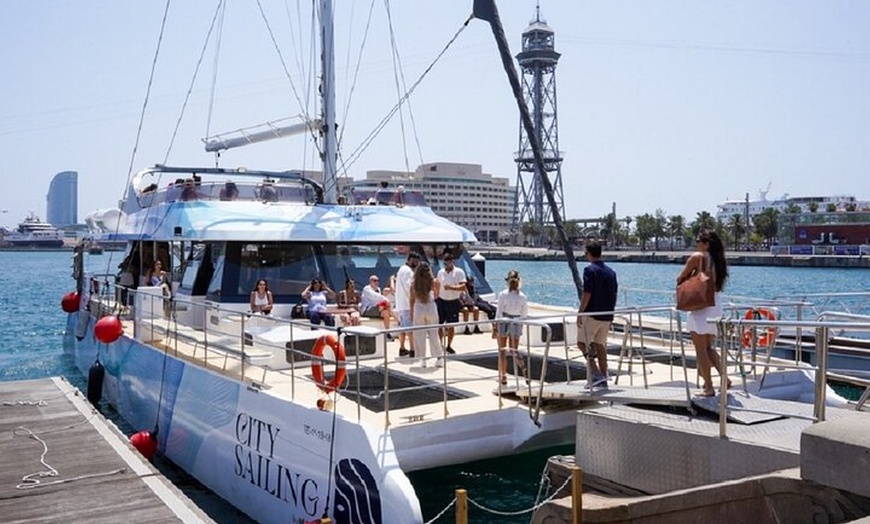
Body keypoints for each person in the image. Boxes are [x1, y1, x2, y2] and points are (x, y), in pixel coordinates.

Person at [676, 229, 730, 397]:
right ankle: (724, 378)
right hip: (715, 303)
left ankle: (708, 386)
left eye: (698, 240)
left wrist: (688, 277)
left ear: (706, 243)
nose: (696, 243)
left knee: (700, 349)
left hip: (700, 306)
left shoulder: (697, 257)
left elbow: (680, 278)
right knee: (708, 347)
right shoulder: (718, 260)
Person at [576, 241, 618, 389]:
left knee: (581, 343)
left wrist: (580, 312)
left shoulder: (589, 270)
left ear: (589, 254)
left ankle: (596, 374)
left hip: (592, 313)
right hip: (607, 314)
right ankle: (604, 376)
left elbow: (587, 293)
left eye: (586, 254)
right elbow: (614, 294)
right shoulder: (611, 272)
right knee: (600, 345)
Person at [495, 270, 529, 385]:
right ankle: (523, 369)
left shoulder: (503, 294)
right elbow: (524, 314)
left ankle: (503, 376)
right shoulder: (523, 296)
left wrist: (495, 328)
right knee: (514, 350)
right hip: (516, 321)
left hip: (504, 321)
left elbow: (498, 312)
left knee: (502, 351)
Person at [409, 262, 443, 367]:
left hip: (418, 307)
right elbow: (437, 295)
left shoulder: (414, 283)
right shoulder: (434, 282)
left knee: (419, 334)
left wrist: (411, 312)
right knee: (434, 333)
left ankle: (422, 360)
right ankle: (439, 358)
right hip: (430, 306)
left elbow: (411, 299)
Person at [436, 252, 466, 354]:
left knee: (451, 325)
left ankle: (449, 345)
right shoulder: (440, 272)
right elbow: (437, 285)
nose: (446, 264)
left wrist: (451, 287)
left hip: (453, 301)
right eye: (444, 262)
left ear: (452, 262)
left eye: (448, 262)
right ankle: (440, 345)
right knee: (439, 324)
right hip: (441, 300)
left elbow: (463, 286)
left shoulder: (459, 272)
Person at [394, 252, 420, 357]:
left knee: (402, 328)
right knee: (410, 328)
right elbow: (410, 288)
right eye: (415, 261)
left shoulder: (401, 269)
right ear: (410, 260)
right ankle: (413, 349)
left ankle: (402, 348)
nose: (417, 263)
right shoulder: (409, 271)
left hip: (400, 304)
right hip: (407, 304)